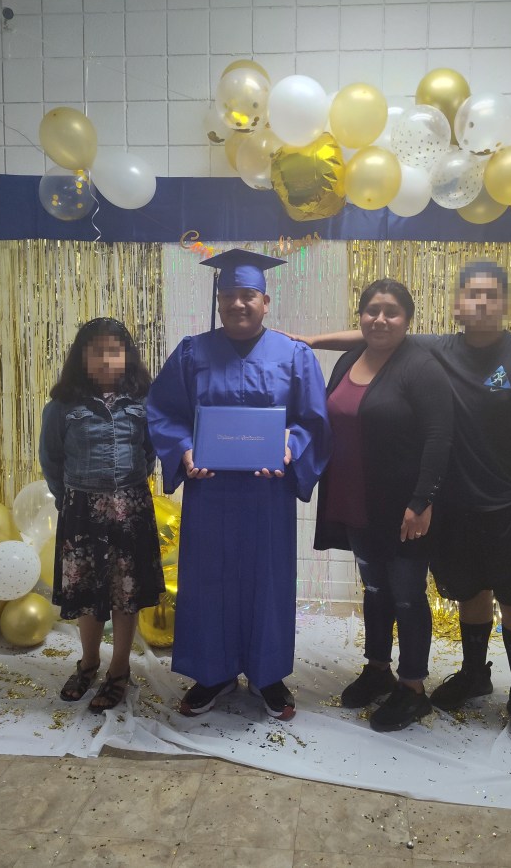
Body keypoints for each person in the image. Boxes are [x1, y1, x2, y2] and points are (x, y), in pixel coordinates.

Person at [297, 261, 511, 751]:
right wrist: (311, 341)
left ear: (505, 303)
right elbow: (370, 333)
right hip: (457, 502)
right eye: (472, 295)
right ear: (458, 304)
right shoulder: (437, 347)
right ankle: (472, 675)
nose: (481, 304)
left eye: (491, 296)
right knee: (471, 594)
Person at [147, 249, 331, 721]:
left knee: (267, 581)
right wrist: (184, 449)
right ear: (219, 300)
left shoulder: (295, 355)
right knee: (209, 580)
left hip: (266, 495)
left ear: (265, 301)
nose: (237, 304)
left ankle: (268, 674)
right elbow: (165, 412)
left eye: (247, 295)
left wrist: (291, 448)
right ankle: (213, 672)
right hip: (210, 494)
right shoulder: (192, 351)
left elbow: (313, 420)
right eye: (228, 295)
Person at [315, 279, 453, 732]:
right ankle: (378, 668)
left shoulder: (420, 366)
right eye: (372, 310)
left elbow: (439, 436)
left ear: (407, 319)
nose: (380, 319)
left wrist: (422, 501)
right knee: (375, 590)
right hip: (357, 501)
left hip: (403, 509)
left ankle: (413, 688)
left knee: (409, 596)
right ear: (360, 316)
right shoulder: (350, 359)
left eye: (391, 311)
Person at [39, 317, 165, 713]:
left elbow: (149, 453)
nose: (106, 359)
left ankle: (119, 670)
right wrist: (74, 500)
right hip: (82, 512)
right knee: (89, 597)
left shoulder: (143, 402)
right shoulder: (62, 406)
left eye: (115, 350)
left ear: (127, 356)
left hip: (130, 511)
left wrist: (125, 491)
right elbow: (51, 459)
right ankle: (89, 662)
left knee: (125, 596)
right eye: (96, 351)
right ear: (82, 357)